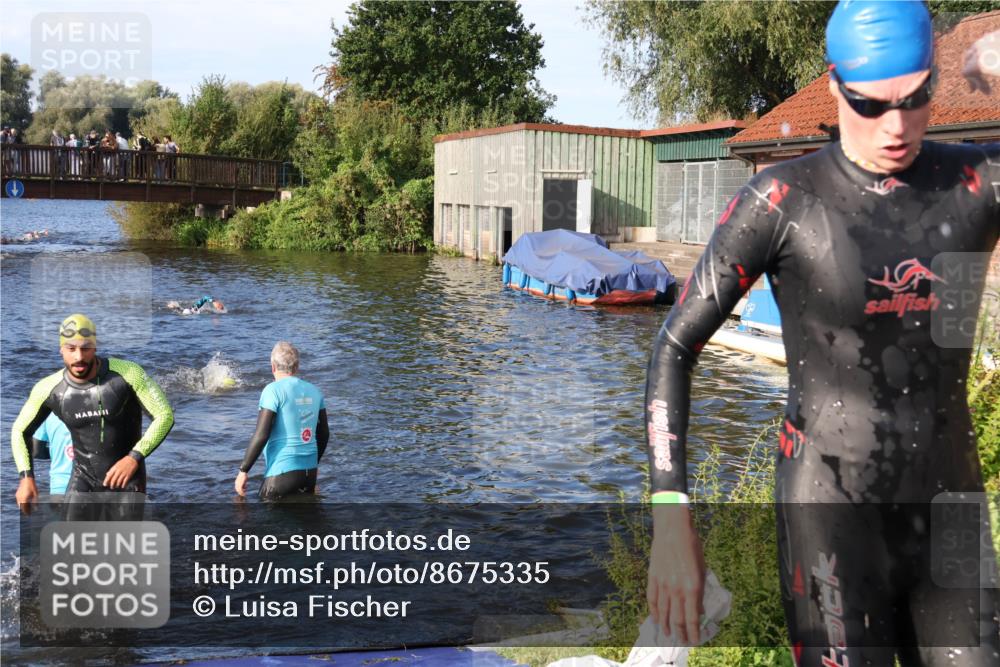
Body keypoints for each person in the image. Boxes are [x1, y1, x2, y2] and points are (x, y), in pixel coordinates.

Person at [644, 1, 1000, 664]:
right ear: (834, 84)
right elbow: (675, 345)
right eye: (870, 105)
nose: (896, 126)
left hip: (951, 514)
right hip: (831, 516)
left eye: (917, 97)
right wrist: (671, 510)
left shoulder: (976, 181)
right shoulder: (783, 200)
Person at [10, 314, 174, 510]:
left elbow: (165, 416)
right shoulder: (48, 389)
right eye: (71, 349)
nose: (79, 357)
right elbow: (20, 431)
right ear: (61, 349)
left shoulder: (128, 374)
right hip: (82, 481)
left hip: (127, 481)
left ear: (95, 347)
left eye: (86, 348)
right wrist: (26, 477)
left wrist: (134, 457)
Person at [235, 342, 329, 500]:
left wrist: (243, 471)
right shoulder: (315, 391)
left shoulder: (272, 390)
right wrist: (314, 463)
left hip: (281, 474)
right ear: (297, 366)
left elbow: (261, 434)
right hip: (310, 474)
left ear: (273, 366)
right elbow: (324, 434)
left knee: (256, 517)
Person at [32, 413, 74, 495]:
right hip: (96, 483)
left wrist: (55, 453)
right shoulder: (100, 409)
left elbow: (36, 451)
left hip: (60, 484)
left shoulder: (48, 412)